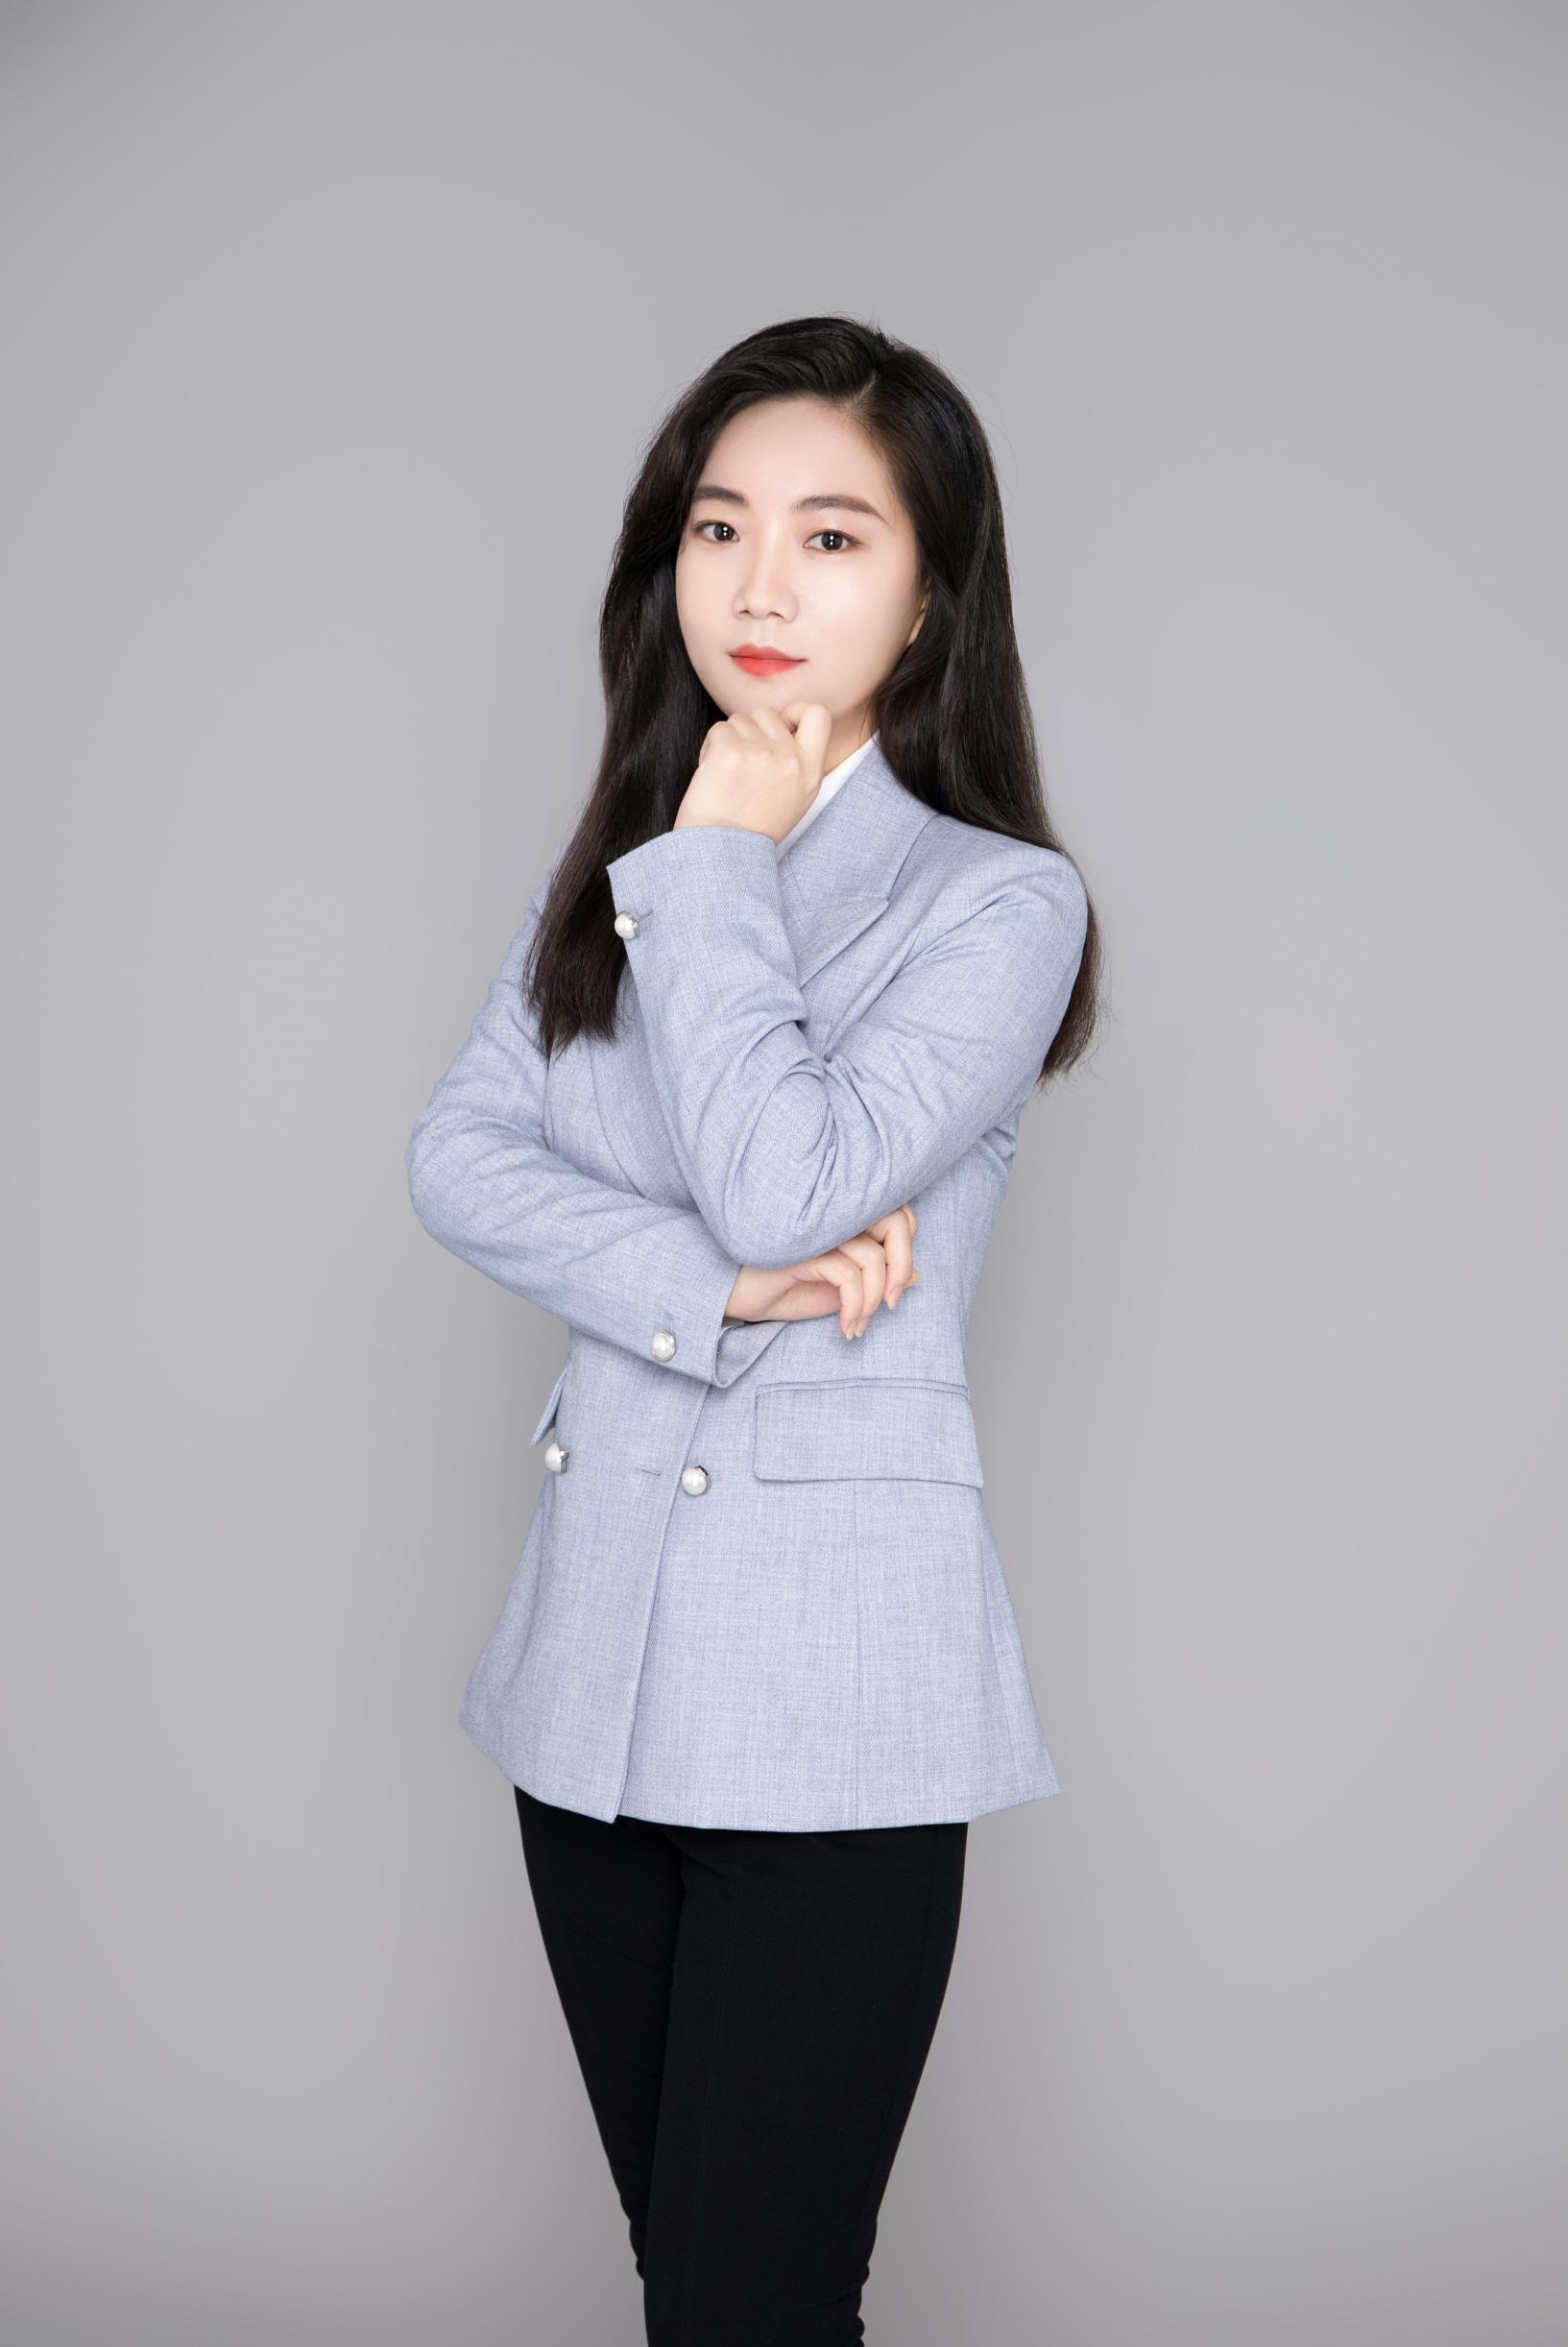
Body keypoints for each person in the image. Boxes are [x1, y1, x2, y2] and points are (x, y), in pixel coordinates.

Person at [406, 313, 1101, 2344]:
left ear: (930, 595)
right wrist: (710, 1286)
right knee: (697, 2292)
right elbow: (456, 1159)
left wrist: (717, 860)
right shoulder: (614, 872)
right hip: (587, 1687)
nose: (760, 586)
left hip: (836, 1704)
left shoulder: (995, 902)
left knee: (754, 2304)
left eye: (831, 536)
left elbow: (794, 1176)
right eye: (718, 529)